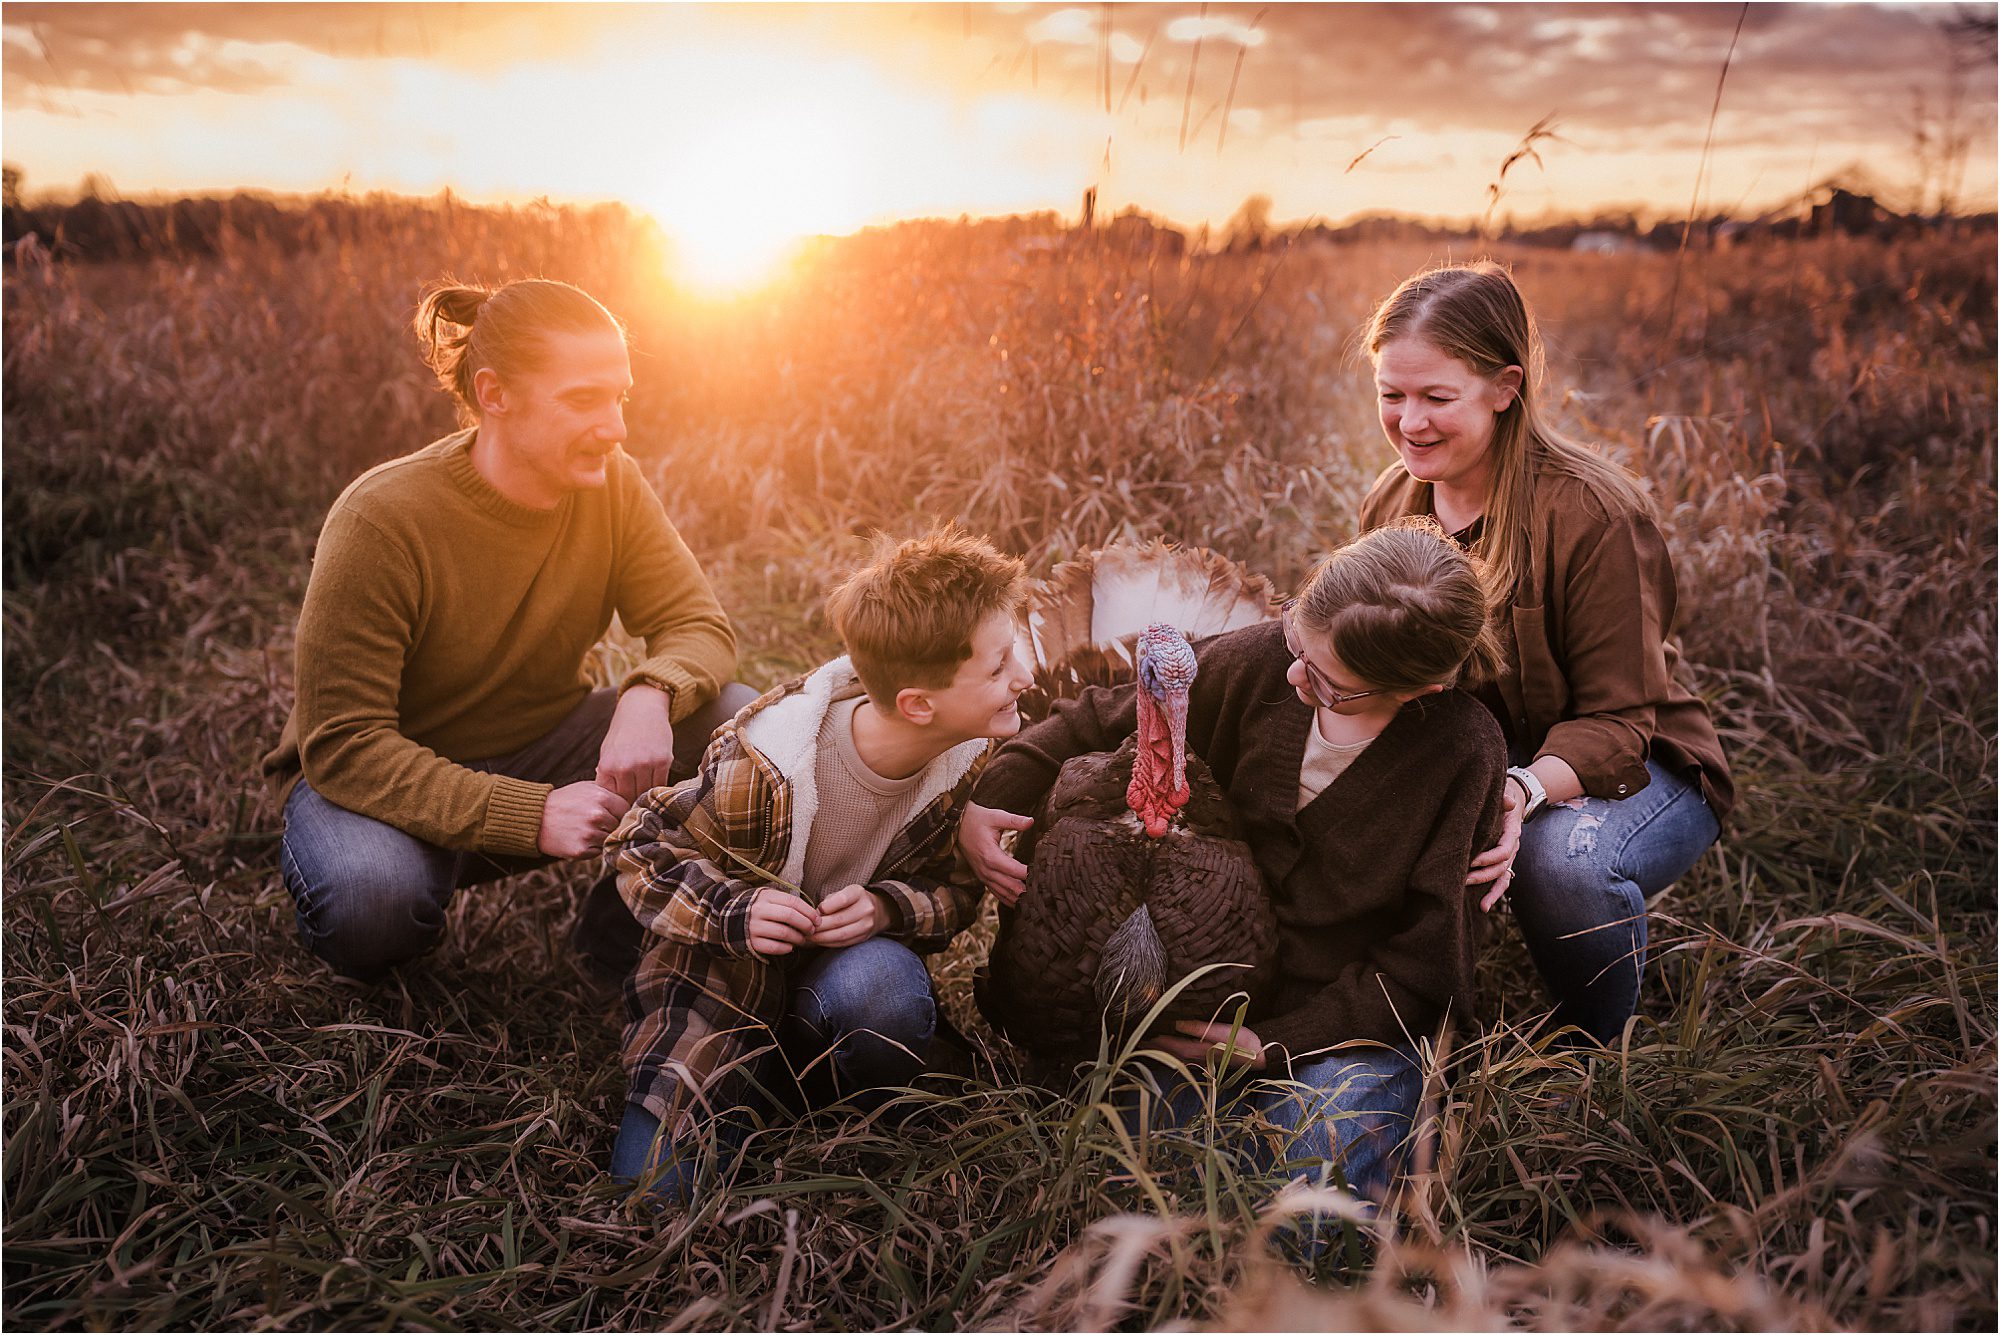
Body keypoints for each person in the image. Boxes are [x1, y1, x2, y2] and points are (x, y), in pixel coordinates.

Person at [960, 520, 1508, 1202]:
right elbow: (1091, 719)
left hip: (1341, 1031)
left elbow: (1425, 971)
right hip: (1203, 1004)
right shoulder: (1258, 664)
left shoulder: (1464, 754)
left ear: (1419, 689)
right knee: (1119, 1134)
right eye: (1298, 646)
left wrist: (1271, 1043)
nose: (1295, 675)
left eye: (1328, 682)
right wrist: (990, 796)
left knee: (1313, 1158)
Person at [262, 277, 754, 981]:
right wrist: (529, 813)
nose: (614, 427)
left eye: (619, 396)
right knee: (372, 900)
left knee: (738, 722)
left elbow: (696, 623)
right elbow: (344, 744)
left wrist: (650, 694)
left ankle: (620, 937)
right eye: (583, 399)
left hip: (542, 742)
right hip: (383, 786)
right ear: (494, 395)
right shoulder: (382, 518)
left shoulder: (612, 483)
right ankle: (394, 904)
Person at [1356, 261, 1731, 1044]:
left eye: (1436, 397)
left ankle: (1596, 1042)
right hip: (1491, 754)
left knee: (1563, 862)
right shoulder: (1391, 504)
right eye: (1392, 393)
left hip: (1636, 761)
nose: (1409, 421)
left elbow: (1620, 717)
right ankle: (1393, 1025)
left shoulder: (1593, 513)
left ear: (1504, 387)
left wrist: (1519, 791)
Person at [608, 525, 1031, 1202]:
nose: (1024, 677)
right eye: (1000, 665)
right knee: (652, 1194)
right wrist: (736, 912)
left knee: (884, 990)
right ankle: (735, 1091)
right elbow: (640, 843)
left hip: (841, 983)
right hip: (720, 992)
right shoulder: (769, 763)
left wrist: (886, 906)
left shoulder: (966, 767)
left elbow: (954, 895)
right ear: (920, 704)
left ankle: (810, 1095)